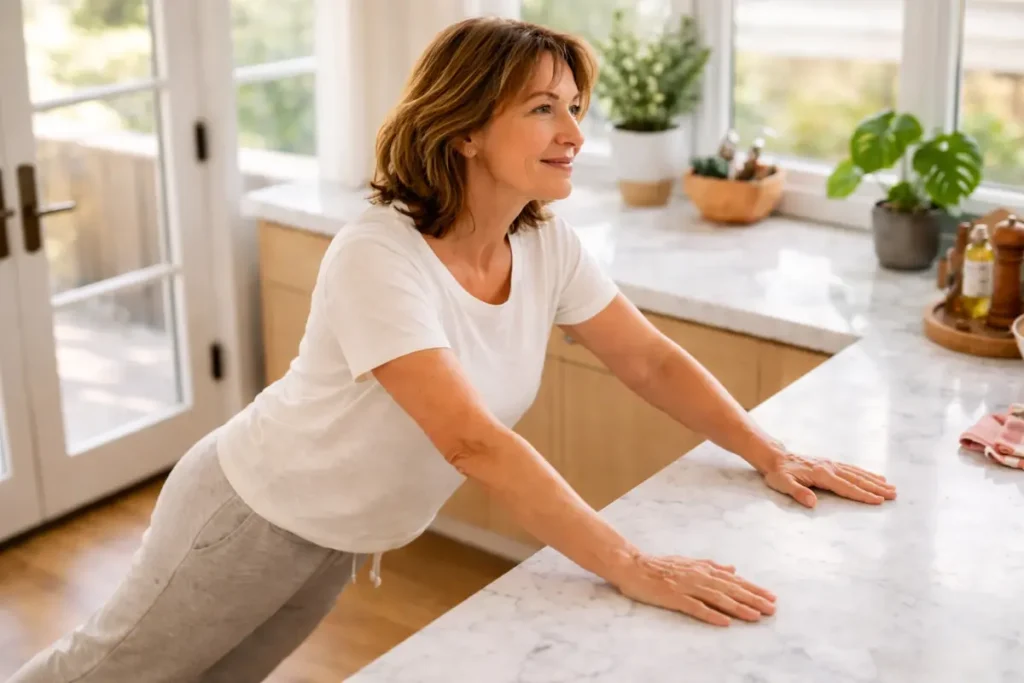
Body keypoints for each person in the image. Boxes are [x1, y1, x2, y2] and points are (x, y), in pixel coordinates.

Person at [12, 15, 897, 683]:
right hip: (249, 514)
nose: (575, 133)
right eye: (544, 108)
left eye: (576, 109)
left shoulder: (543, 243)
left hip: (339, 535)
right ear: (467, 126)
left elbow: (649, 359)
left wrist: (770, 451)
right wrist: (630, 564)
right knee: (103, 674)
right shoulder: (379, 253)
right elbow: (471, 441)